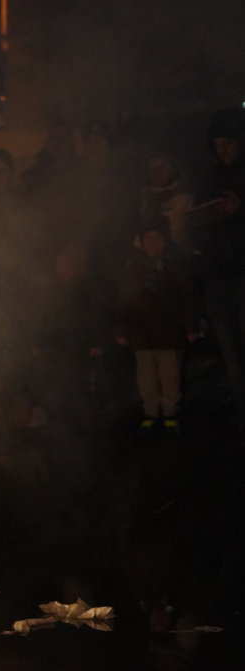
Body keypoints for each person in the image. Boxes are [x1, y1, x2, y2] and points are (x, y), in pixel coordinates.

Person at [114, 220, 198, 433]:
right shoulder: (132, 270)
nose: (153, 244)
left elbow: (187, 299)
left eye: (157, 238)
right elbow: (123, 303)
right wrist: (121, 330)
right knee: (146, 379)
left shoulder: (176, 266)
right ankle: (150, 413)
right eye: (148, 239)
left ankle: (170, 413)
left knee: (171, 377)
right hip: (142, 335)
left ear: (165, 241)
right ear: (141, 243)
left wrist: (191, 327)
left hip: (170, 334)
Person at [191, 107, 245, 432]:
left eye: (228, 142)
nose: (223, 149)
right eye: (218, 144)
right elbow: (200, 218)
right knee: (233, 357)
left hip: (243, 275)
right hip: (218, 277)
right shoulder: (211, 177)